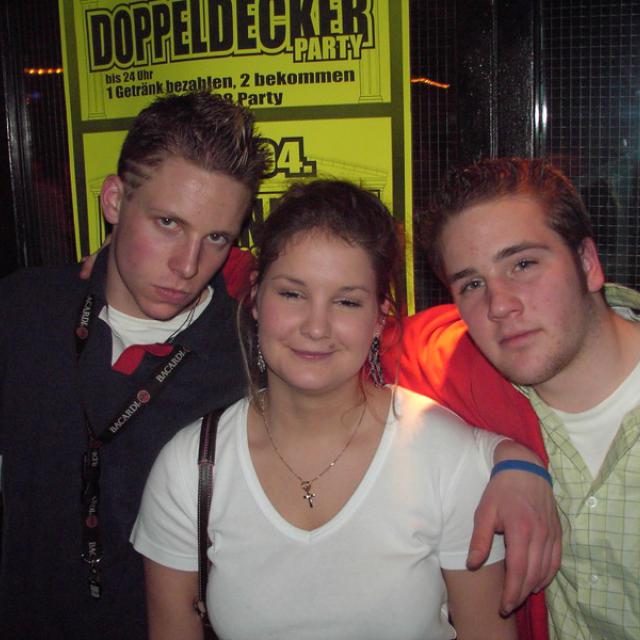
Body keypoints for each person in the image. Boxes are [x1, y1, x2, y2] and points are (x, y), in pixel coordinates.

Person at [131, 179, 561, 639]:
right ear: (255, 297)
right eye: (292, 294)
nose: (316, 327)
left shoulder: (446, 457)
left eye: (347, 301)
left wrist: (521, 460)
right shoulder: (190, 468)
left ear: (380, 317)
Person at [0, 91, 268, 638]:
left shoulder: (250, 358)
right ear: (115, 201)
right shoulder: (24, 309)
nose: (188, 265)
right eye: (168, 222)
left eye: (216, 237)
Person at [385, 157, 640, 640]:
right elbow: (351, 345)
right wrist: (509, 453)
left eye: (523, 264)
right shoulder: (466, 375)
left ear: (587, 263)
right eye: (472, 284)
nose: (500, 305)